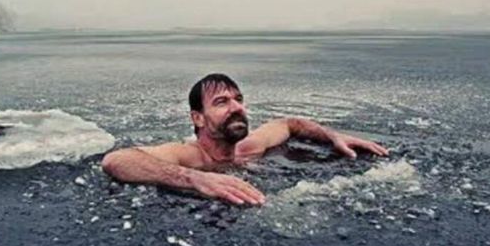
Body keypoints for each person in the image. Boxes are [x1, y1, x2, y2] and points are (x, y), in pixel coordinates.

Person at [101, 73, 389, 206]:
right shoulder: (189, 156)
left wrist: (333, 137)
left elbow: (290, 124)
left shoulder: (251, 146)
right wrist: (193, 179)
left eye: (239, 99)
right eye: (222, 102)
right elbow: (117, 160)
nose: (237, 107)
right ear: (198, 118)